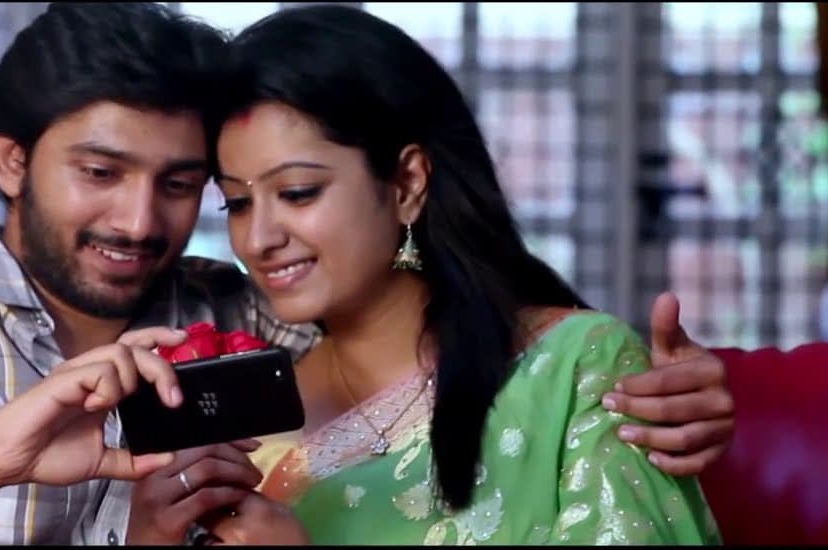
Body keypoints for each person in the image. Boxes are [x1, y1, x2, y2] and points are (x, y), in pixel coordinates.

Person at [0, 3, 733, 546]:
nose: (141, 222)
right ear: (10, 160)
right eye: (100, 173)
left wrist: (664, 388)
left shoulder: (245, 323)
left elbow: (445, 352)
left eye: (185, 186)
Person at [180, 5, 722, 544]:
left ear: (408, 183)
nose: (258, 239)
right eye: (237, 204)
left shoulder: (575, 368)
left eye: (298, 193)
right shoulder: (254, 425)